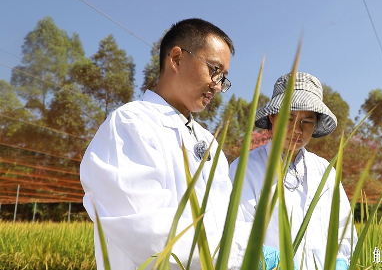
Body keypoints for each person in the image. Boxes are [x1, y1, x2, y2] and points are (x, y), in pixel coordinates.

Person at [81, 18, 254, 269]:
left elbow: (227, 220)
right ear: (176, 58)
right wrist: (238, 255)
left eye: (223, 78)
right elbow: (147, 229)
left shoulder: (208, 142)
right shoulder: (131, 124)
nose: (217, 86)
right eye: (214, 70)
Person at [229, 72, 358, 270]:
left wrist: (341, 261)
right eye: (289, 118)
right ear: (272, 117)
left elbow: (344, 229)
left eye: (307, 121)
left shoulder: (325, 171)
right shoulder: (245, 168)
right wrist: (266, 260)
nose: (297, 129)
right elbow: (234, 230)